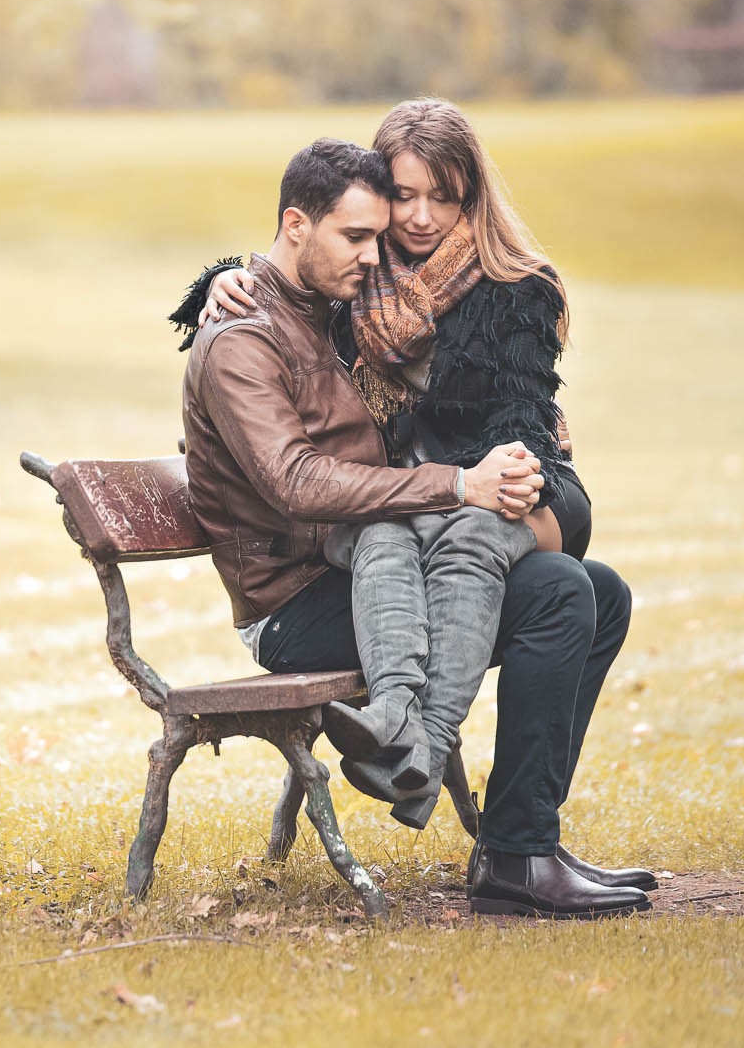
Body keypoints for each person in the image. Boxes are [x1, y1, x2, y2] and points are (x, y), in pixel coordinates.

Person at [181, 135, 650, 919]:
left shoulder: (332, 309)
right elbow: (295, 481)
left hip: (369, 560)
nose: (375, 255)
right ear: (296, 225)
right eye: (356, 237)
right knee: (562, 592)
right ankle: (517, 851)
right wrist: (457, 486)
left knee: (600, 593)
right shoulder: (241, 339)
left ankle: (517, 839)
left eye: (378, 235)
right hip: (296, 601)